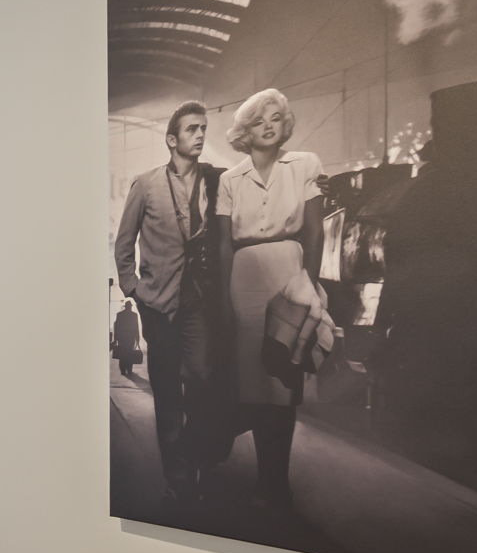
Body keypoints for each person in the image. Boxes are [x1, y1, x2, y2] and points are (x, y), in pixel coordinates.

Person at [217, 88, 325, 508]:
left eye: (276, 118)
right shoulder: (230, 180)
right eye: (259, 119)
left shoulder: (304, 166)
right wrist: (225, 302)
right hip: (244, 281)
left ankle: (275, 482)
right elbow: (225, 246)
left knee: (282, 384)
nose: (268, 125)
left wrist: (309, 284)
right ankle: (258, 472)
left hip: (290, 274)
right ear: (245, 129)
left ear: (285, 127)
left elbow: (315, 231)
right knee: (252, 386)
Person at [114, 100, 226, 500]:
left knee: (201, 376)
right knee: (165, 387)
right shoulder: (145, 185)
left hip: (199, 301)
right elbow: (124, 243)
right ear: (171, 139)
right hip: (158, 302)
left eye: (203, 129)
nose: (200, 135)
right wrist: (134, 290)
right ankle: (176, 469)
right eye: (192, 129)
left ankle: (196, 451)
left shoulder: (216, 181)